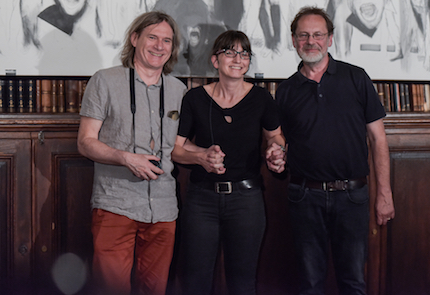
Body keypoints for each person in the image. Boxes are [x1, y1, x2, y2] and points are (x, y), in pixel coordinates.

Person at [275, 6, 395, 295]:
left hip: (352, 197)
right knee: (309, 283)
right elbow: (279, 140)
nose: (310, 41)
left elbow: (378, 140)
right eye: (303, 35)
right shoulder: (286, 90)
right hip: (304, 196)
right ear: (293, 40)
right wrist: (275, 152)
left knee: (353, 282)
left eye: (318, 34)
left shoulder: (356, 78)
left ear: (330, 39)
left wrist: (384, 194)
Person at [77, 11, 187, 295]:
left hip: (164, 209)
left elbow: (178, 148)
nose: (159, 46)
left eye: (167, 40)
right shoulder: (104, 81)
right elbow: (85, 142)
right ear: (135, 38)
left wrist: (205, 154)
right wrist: (125, 158)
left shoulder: (179, 90)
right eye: (152, 37)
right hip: (116, 205)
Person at [171, 30, 286, 295]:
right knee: (195, 281)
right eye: (230, 52)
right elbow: (176, 150)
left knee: (243, 282)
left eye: (244, 53)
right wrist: (201, 156)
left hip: (246, 200)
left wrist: (276, 150)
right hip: (202, 200)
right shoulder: (195, 98)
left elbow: (275, 136)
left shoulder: (261, 99)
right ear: (215, 61)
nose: (238, 58)